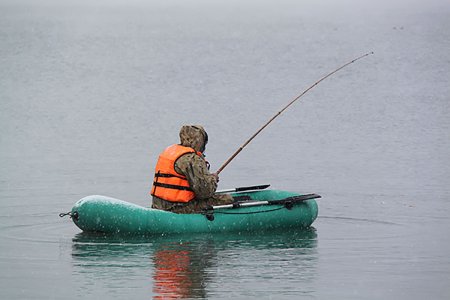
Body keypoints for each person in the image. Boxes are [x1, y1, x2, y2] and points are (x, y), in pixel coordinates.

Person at [151, 125, 233, 213]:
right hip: (179, 208)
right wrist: (213, 179)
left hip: (158, 206)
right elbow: (204, 192)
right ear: (199, 141)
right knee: (227, 199)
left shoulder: (168, 152)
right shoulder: (192, 159)